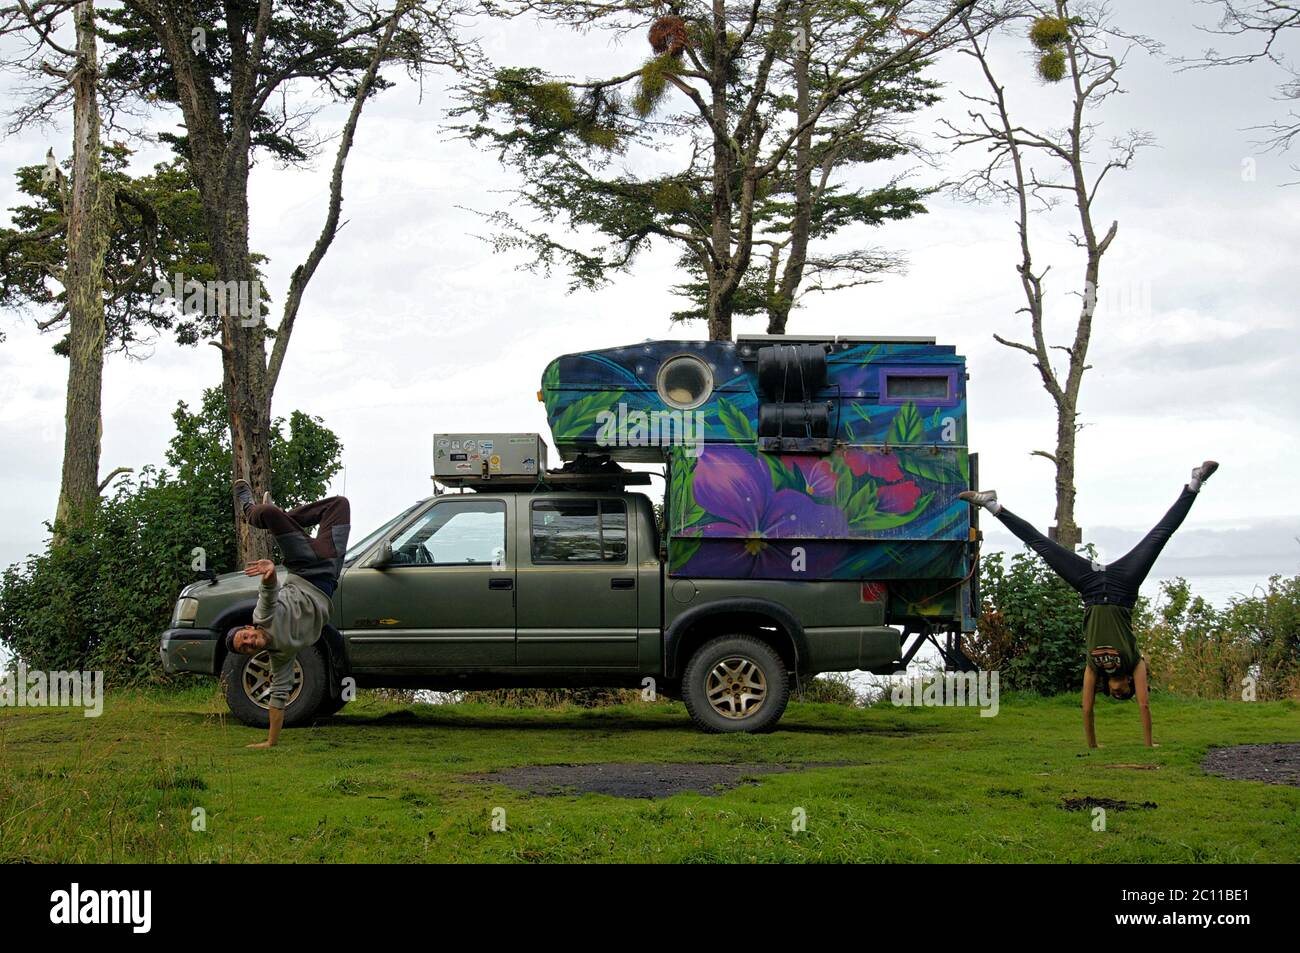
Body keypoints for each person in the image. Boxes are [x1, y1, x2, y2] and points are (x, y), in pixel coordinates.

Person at [958, 461, 1218, 748]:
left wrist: (1093, 746)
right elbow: (1144, 706)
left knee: (1043, 547)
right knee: (1159, 536)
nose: (1119, 693)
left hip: (1091, 590)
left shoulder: (1094, 666)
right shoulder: (1135, 663)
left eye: (1116, 695)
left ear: (1109, 688)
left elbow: (1086, 708)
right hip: (1123, 588)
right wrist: (1149, 744)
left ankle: (992, 505)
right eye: (1124, 694)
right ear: (1130, 685)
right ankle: (1195, 483)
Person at [224, 482, 351, 748]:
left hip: (304, 566)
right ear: (251, 653)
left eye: (245, 636)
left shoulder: (263, 617)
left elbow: (268, 593)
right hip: (329, 566)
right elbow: (278, 698)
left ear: (250, 627)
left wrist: (270, 573)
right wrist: (271, 742)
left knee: (268, 516)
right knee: (340, 506)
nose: (248, 642)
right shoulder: (281, 656)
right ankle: (278, 514)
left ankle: (251, 511)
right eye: (245, 647)